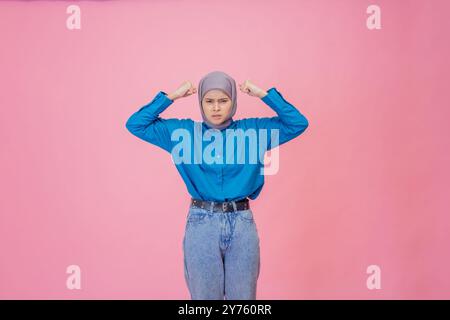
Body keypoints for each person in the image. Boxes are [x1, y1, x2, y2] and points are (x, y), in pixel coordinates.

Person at [125, 70, 309, 300]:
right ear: (200, 102)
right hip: (201, 224)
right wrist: (172, 96)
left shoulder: (254, 131)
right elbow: (136, 124)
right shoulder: (182, 133)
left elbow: (297, 123)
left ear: (233, 101)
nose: (215, 107)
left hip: (242, 224)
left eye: (223, 100)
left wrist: (263, 94)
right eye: (209, 101)